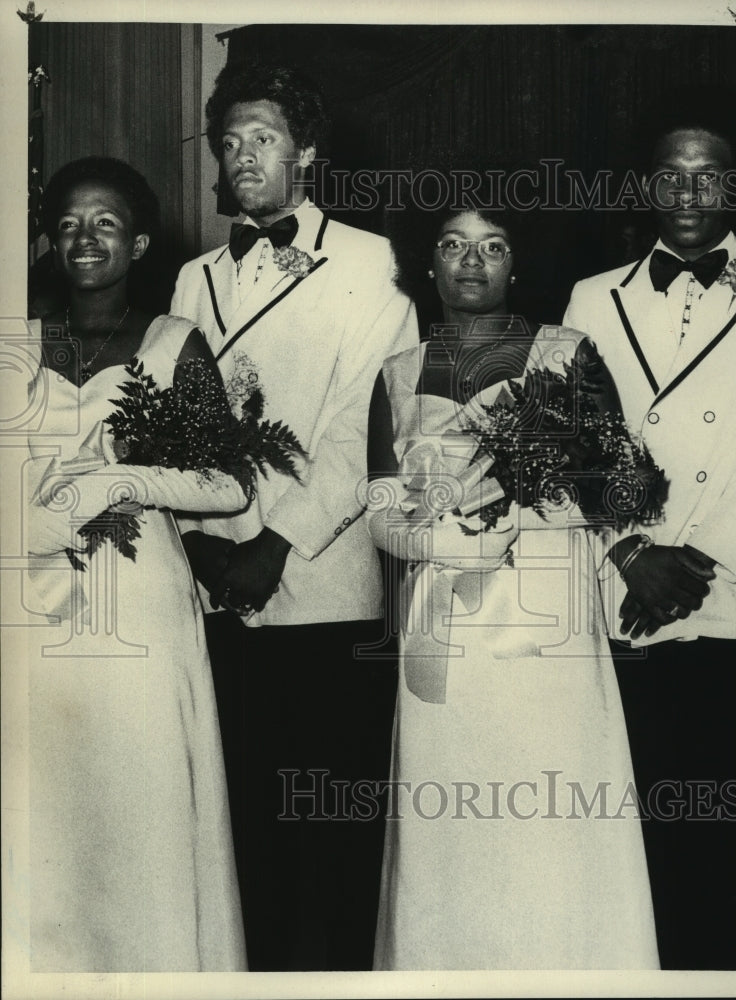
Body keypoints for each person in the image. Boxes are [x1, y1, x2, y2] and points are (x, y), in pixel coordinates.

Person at [366, 203, 660, 970]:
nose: (472, 262)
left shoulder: (568, 352)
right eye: (453, 245)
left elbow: (620, 486)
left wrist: (521, 512)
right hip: (446, 623)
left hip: (548, 619)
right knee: (454, 821)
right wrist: (444, 541)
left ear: (517, 263)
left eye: (492, 246)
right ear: (426, 263)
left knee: (553, 812)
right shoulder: (397, 374)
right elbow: (381, 511)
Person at [170, 61, 418, 970]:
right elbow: (168, 429)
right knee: (242, 827)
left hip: (322, 581)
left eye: (264, 139)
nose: (243, 157)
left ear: (306, 153)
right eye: (229, 142)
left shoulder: (367, 259)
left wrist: (275, 543)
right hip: (215, 586)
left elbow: (364, 427)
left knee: (334, 825)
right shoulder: (193, 278)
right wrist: (202, 545)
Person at [24, 157, 247, 971]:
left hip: (141, 597)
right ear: (51, 241)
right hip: (33, 599)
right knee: (49, 795)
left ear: (140, 242)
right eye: (70, 224)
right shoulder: (16, 345)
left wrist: (125, 481)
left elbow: (229, 483)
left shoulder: (175, 343)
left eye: (107, 223)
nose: (86, 238)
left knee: (138, 789)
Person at [563, 93, 736, 969]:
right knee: (643, 825)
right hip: (628, 591)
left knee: (734, 824)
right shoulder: (592, 296)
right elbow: (568, 435)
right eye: (670, 176)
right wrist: (632, 551)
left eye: (708, 175)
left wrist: (702, 555)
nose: (688, 192)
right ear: (647, 188)